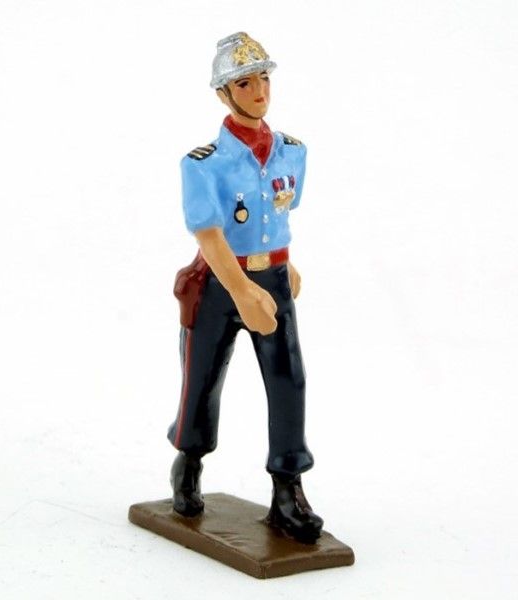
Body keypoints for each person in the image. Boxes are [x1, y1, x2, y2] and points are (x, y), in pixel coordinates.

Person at [168, 32, 323, 543]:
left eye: (263, 79)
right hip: (220, 281)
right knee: (202, 376)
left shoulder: (291, 152)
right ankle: (189, 460)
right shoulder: (203, 162)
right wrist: (240, 290)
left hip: (271, 278)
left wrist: (283, 264)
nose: (259, 92)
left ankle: (288, 487)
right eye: (244, 83)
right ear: (223, 93)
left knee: (288, 379)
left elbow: (276, 216)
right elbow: (210, 234)